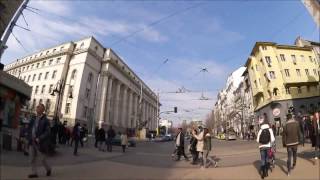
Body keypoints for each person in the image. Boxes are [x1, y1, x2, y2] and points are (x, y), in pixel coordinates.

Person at [27, 104, 52, 178]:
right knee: (31, 158)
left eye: (39, 107)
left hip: (40, 143)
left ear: (42, 110)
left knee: (42, 159)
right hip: (32, 141)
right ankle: (34, 173)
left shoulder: (45, 120)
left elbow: (47, 132)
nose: (37, 108)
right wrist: (28, 137)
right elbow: (29, 128)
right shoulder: (33, 118)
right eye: (37, 107)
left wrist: (40, 138)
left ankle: (48, 169)